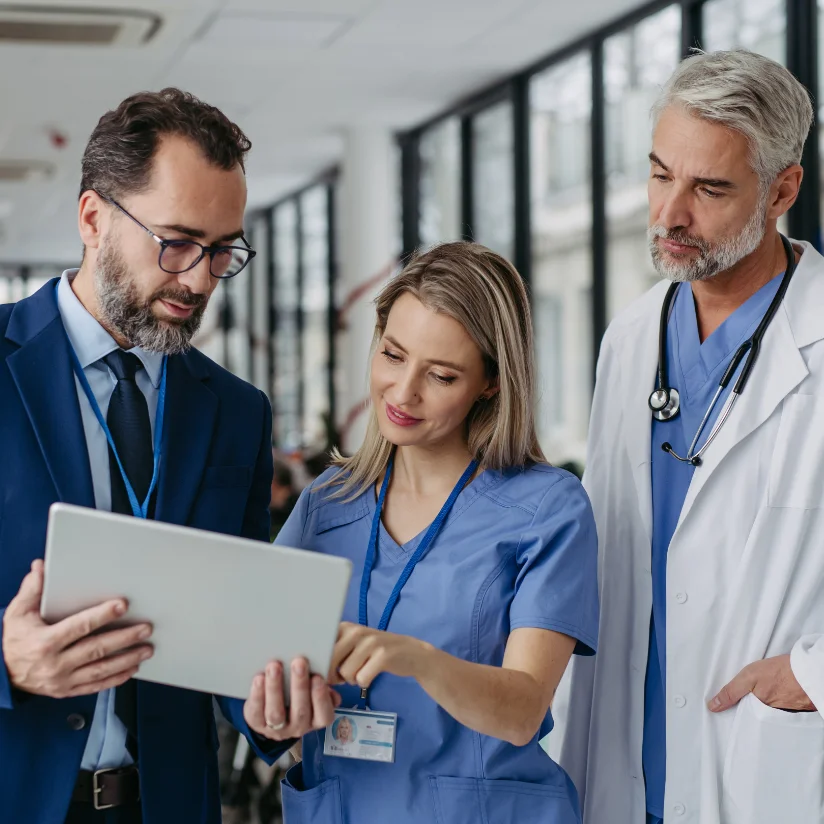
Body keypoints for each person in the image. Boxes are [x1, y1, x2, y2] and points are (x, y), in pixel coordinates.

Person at [0, 88, 336, 824]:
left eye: (223, 250)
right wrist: (6, 661)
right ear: (93, 218)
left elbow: (235, 623)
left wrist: (268, 708)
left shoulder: (238, 412)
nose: (201, 279)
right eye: (178, 242)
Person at [559, 50, 824, 824]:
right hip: (629, 762)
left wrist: (813, 675)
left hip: (766, 766)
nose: (670, 213)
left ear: (783, 190)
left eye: (709, 189)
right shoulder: (631, 336)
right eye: (659, 174)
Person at [274, 242, 599, 823]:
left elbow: (523, 710)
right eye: (393, 355)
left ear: (491, 383)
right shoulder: (326, 504)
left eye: (442, 375)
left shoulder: (547, 508)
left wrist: (420, 660)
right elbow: (261, 662)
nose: (403, 393)